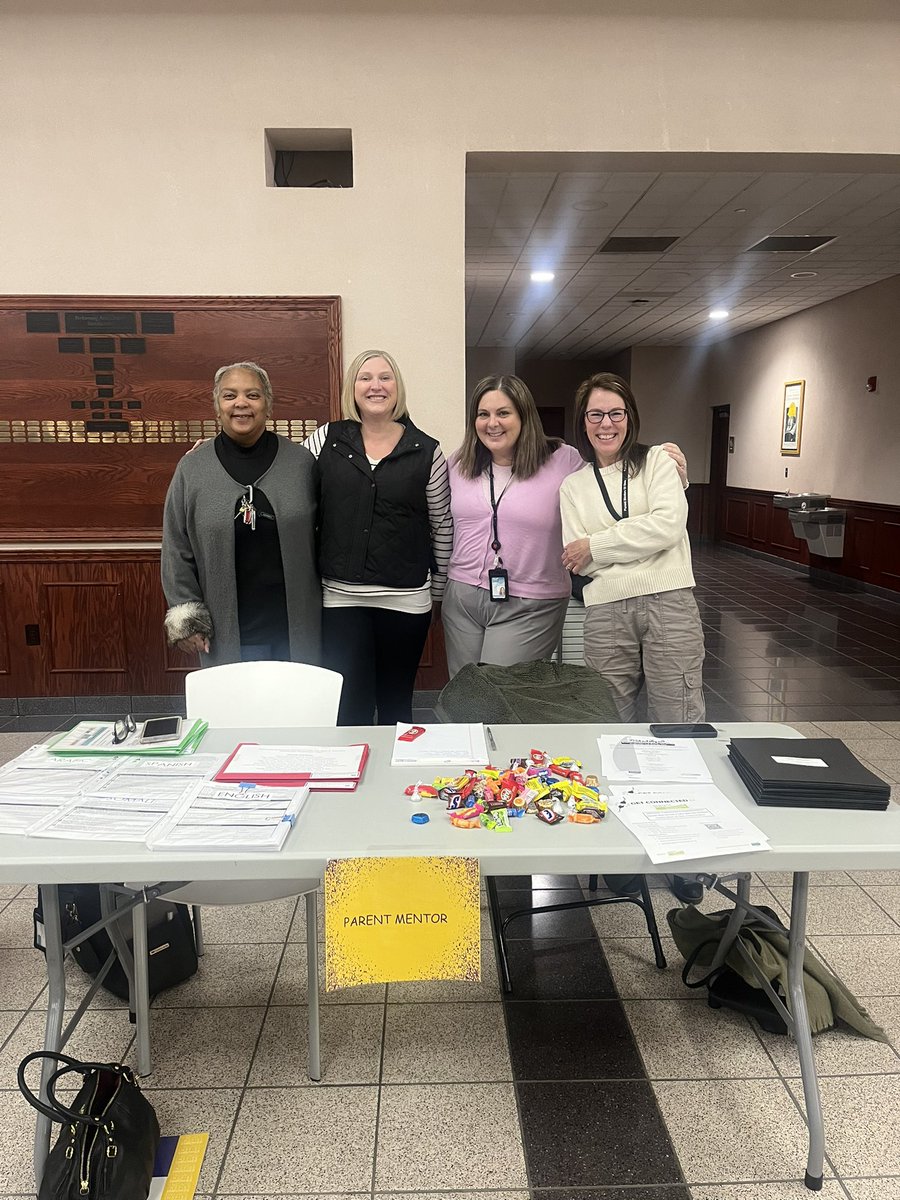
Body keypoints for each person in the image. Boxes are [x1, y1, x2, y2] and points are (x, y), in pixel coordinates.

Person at [560, 370, 706, 903]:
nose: (606, 423)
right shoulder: (573, 486)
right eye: (595, 414)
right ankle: (617, 851)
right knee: (609, 727)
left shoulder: (660, 462)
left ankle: (687, 852)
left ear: (630, 417)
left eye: (615, 413)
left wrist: (599, 546)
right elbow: (574, 556)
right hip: (605, 613)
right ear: (583, 422)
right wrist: (614, 548)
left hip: (671, 603)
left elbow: (669, 526)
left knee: (679, 723)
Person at [442, 374, 689, 679]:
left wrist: (671, 476)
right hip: (462, 598)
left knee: (500, 692)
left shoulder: (563, 460)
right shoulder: (459, 463)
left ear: (524, 416)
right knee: (462, 691)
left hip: (531, 601)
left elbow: (612, 480)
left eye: (503, 413)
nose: (492, 423)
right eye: (483, 414)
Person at [304, 349, 452, 726]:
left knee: (395, 706)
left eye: (385, 377)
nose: (376, 386)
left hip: (406, 601)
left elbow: (441, 524)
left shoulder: (428, 451)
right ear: (352, 388)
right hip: (340, 598)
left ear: (397, 387)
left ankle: (394, 767)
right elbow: (287, 479)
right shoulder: (326, 439)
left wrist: (437, 592)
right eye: (365, 377)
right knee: (348, 707)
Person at [162, 361, 321, 665]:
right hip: (225, 633)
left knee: (296, 696)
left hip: (295, 629)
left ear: (268, 405)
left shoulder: (301, 464)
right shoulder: (193, 469)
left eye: (253, 395)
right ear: (217, 407)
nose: (241, 403)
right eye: (229, 395)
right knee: (232, 697)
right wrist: (187, 618)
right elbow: (176, 547)